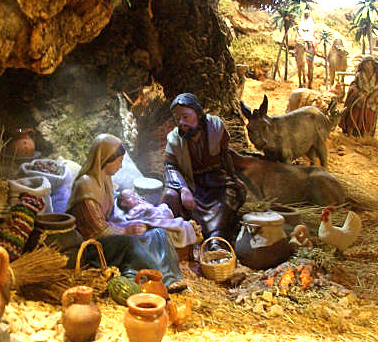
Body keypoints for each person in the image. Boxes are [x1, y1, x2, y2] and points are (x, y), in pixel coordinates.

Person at [66, 134, 184, 291]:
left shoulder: (105, 178)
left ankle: (171, 278)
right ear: (106, 159)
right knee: (131, 241)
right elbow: (96, 229)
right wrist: (125, 230)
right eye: (119, 161)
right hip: (94, 246)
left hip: (112, 233)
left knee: (159, 233)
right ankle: (148, 279)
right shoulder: (86, 185)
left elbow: (113, 204)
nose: (121, 166)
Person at [161, 93, 246, 250]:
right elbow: (170, 166)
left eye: (186, 117)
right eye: (178, 118)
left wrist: (234, 178)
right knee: (174, 198)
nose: (181, 123)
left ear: (198, 114)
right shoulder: (174, 139)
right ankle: (184, 239)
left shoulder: (216, 127)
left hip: (217, 180)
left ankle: (216, 240)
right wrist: (183, 189)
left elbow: (225, 156)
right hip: (192, 182)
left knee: (225, 200)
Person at [113, 188, 203, 248]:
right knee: (177, 224)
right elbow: (143, 216)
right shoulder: (132, 211)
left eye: (134, 195)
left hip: (157, 216)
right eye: (130, 197)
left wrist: (155, 208)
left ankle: (188, 228)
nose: (134, 197)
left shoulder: (140, 203)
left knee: (164, 208)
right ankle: (188, 230)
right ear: (123, 203)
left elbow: (153, 209)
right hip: (153, 221)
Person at [339, 55, 378, 137]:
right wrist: (360, 94)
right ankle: (350, 132)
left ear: (373, 65)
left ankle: (363, 134)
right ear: (363, 65)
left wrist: (374, 95)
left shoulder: (376, 76)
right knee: (355, 113)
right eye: (366, 64)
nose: (368, 66)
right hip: (359, 99)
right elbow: (355, 85)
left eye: (369, 64)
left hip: (370, 101)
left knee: (368, 116)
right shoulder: (360, 75)